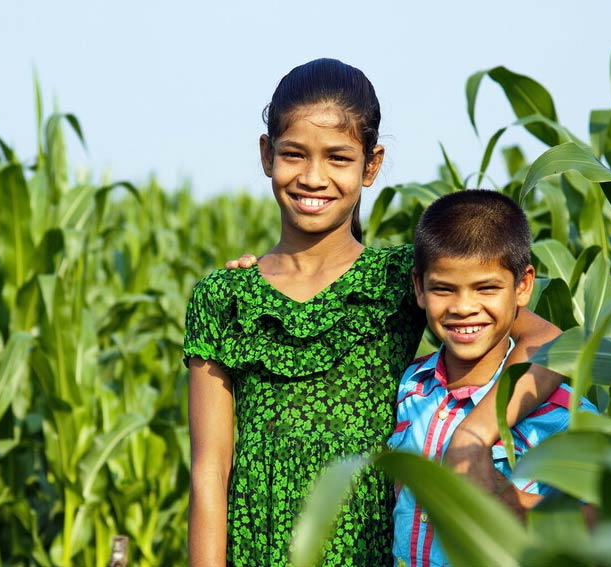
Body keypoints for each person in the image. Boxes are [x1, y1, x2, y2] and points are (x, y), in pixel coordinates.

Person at [183, 58, 563, 567]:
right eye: (294, 154)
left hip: (373, 547)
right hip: (260, 549)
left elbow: (551, 342)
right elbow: (210, 469)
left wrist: (475, 434)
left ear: (371, 165)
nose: (313, 177)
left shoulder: (402, 279)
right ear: (266, 154)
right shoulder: (225, 299)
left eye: (338, 158)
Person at [389, 189, 597, 567]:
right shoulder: (410, 387)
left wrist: (526, 512)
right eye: (443, 289)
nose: (464, 308)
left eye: (486, 288)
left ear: (523, 285)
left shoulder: (558, 410)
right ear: (419, 287)